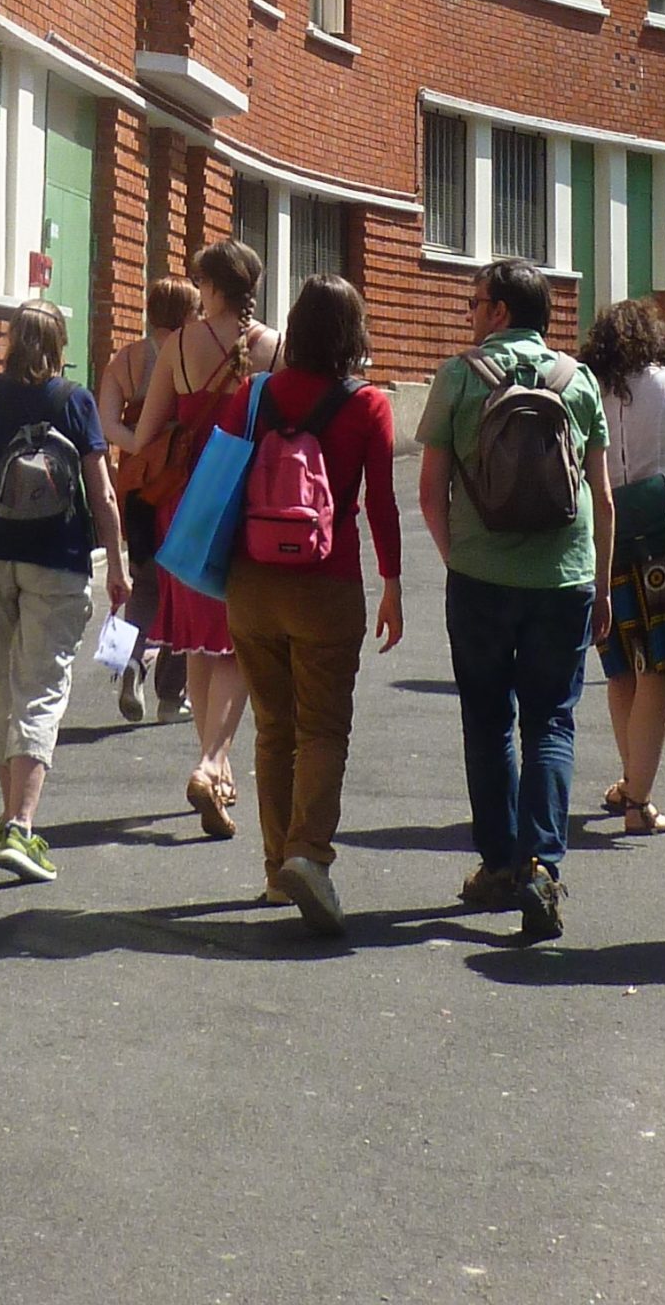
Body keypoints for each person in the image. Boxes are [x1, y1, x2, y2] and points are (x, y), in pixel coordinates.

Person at [415, 256, 612, 945]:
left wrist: (457, 558)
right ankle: (541, 867)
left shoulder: (458, 378)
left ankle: (497, 864)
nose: (470, 314)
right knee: (552, 721)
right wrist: (604, 584)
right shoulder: (577, 380)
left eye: (475, 304)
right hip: (566, 577)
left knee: (488, 720)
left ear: (498, 310)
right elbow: (602, 496)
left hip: (480, 578)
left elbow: (429, 490)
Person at [216, 275, 402, 937]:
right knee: (323, 727)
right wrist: (393, 583)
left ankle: (275, 870)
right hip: (328, 583)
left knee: (273, 727)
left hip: (251, 581)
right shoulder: (367, 405)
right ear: (353, 334)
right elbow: (379, 502)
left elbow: (220, 480)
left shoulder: (251, 395)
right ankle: (309, 856)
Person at [0, 302, 130, 880]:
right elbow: (102, 493)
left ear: (10, 339)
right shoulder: (73, 400)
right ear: (59, 343)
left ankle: (8, 815)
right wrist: (117, 565)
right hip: (56, 556)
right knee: (42, 684)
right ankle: (21, 827)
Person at [129, 237, 278, 840]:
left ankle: (210, 764)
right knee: (238, 642)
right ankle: (214, 762)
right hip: (243, 499)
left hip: (185, 504)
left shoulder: (178, 345)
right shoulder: (271, 346)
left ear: (210, 288)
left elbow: (145, 434)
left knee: (194, 641)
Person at [580, 298, 665, 836]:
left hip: (608, 533)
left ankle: (631, 782)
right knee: (659, 666)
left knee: (620, 666)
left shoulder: (590, 385)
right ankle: (638, 802)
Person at [98, 275, 198, 724]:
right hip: (182, 484)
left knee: (141, 584)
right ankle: (170, 697)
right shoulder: (191, 356)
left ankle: (125, 664)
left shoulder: (127, 359)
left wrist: (140, 447)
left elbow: (105, 425)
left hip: (137, 488)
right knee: (184, 588)